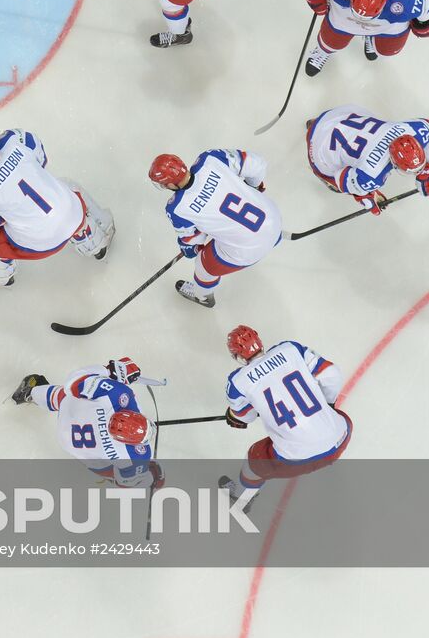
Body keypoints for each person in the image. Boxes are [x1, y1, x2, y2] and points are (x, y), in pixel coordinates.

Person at [0, 128, 115, 288]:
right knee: (66, 188)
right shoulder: (14, 139)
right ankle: (94, 240)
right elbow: (41, 162)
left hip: (40, 245)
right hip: (74, 217)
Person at [219, 325, 352, 504]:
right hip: (341, 438)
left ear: (237, 356)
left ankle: (243, 497)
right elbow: (332, 374)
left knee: (255, 458)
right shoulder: (290, 349)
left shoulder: (237, 382)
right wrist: (327, 405)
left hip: (295, 460)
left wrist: (233, 417)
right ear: (259, 342)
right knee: (337, 418)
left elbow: (245, 417)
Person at [148, 149, 281, 308]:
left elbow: (192, 241)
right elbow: (257, 165)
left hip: (249, 250)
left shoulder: (176, 208)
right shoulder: (210, 158)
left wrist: (190, 250)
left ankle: (202, 296)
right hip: (274, 220)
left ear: (170, 184)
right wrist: (254, 187)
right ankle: (274, 237)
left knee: (203, 265)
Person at [11, 358, 162, 489]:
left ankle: (31, 393)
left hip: (70, 412)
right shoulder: (137, 457)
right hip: (68, 443)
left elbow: (73, 382)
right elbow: (125, 484)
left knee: (70, 394)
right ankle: (107, 477)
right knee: (103, 466)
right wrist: (144, 475)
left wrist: (109, 371)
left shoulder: (117, 394)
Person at [305, 106, 429, 214]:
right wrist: (366, 198)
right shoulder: (371, 174)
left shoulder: (411, 130)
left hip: (336, 115)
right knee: (335, 184)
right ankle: (313, 130)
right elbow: (341, 178)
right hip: (318, 145)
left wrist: (428, 167)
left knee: (370, 120)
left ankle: (317, 124)